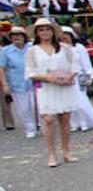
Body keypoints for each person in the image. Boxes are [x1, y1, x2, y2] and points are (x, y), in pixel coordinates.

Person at [25, 17, 82, 167]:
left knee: (65, 118)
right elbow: (30, 72)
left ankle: (66, 151)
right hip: (46, 88)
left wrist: (69, 77)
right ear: (37, 33)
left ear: (53, 31)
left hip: (64, 86)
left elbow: (75, 66)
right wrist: (48, 77)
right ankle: (51, 154)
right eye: (41, 30)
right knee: (49, 119)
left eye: (47, 29)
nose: (44, 32)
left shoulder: (64, 48)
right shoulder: (32, 51)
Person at [59, 26, 93, 133]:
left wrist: (89, 75)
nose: (64, 38)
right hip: (65, 78)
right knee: (69, 103)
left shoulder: (79, 48)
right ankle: (74, 123)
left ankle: (87, 122)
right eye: (62, 36)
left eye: (66, 35)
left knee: (81, 101)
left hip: (79, 78)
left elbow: (86, 63)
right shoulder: (59, 49)